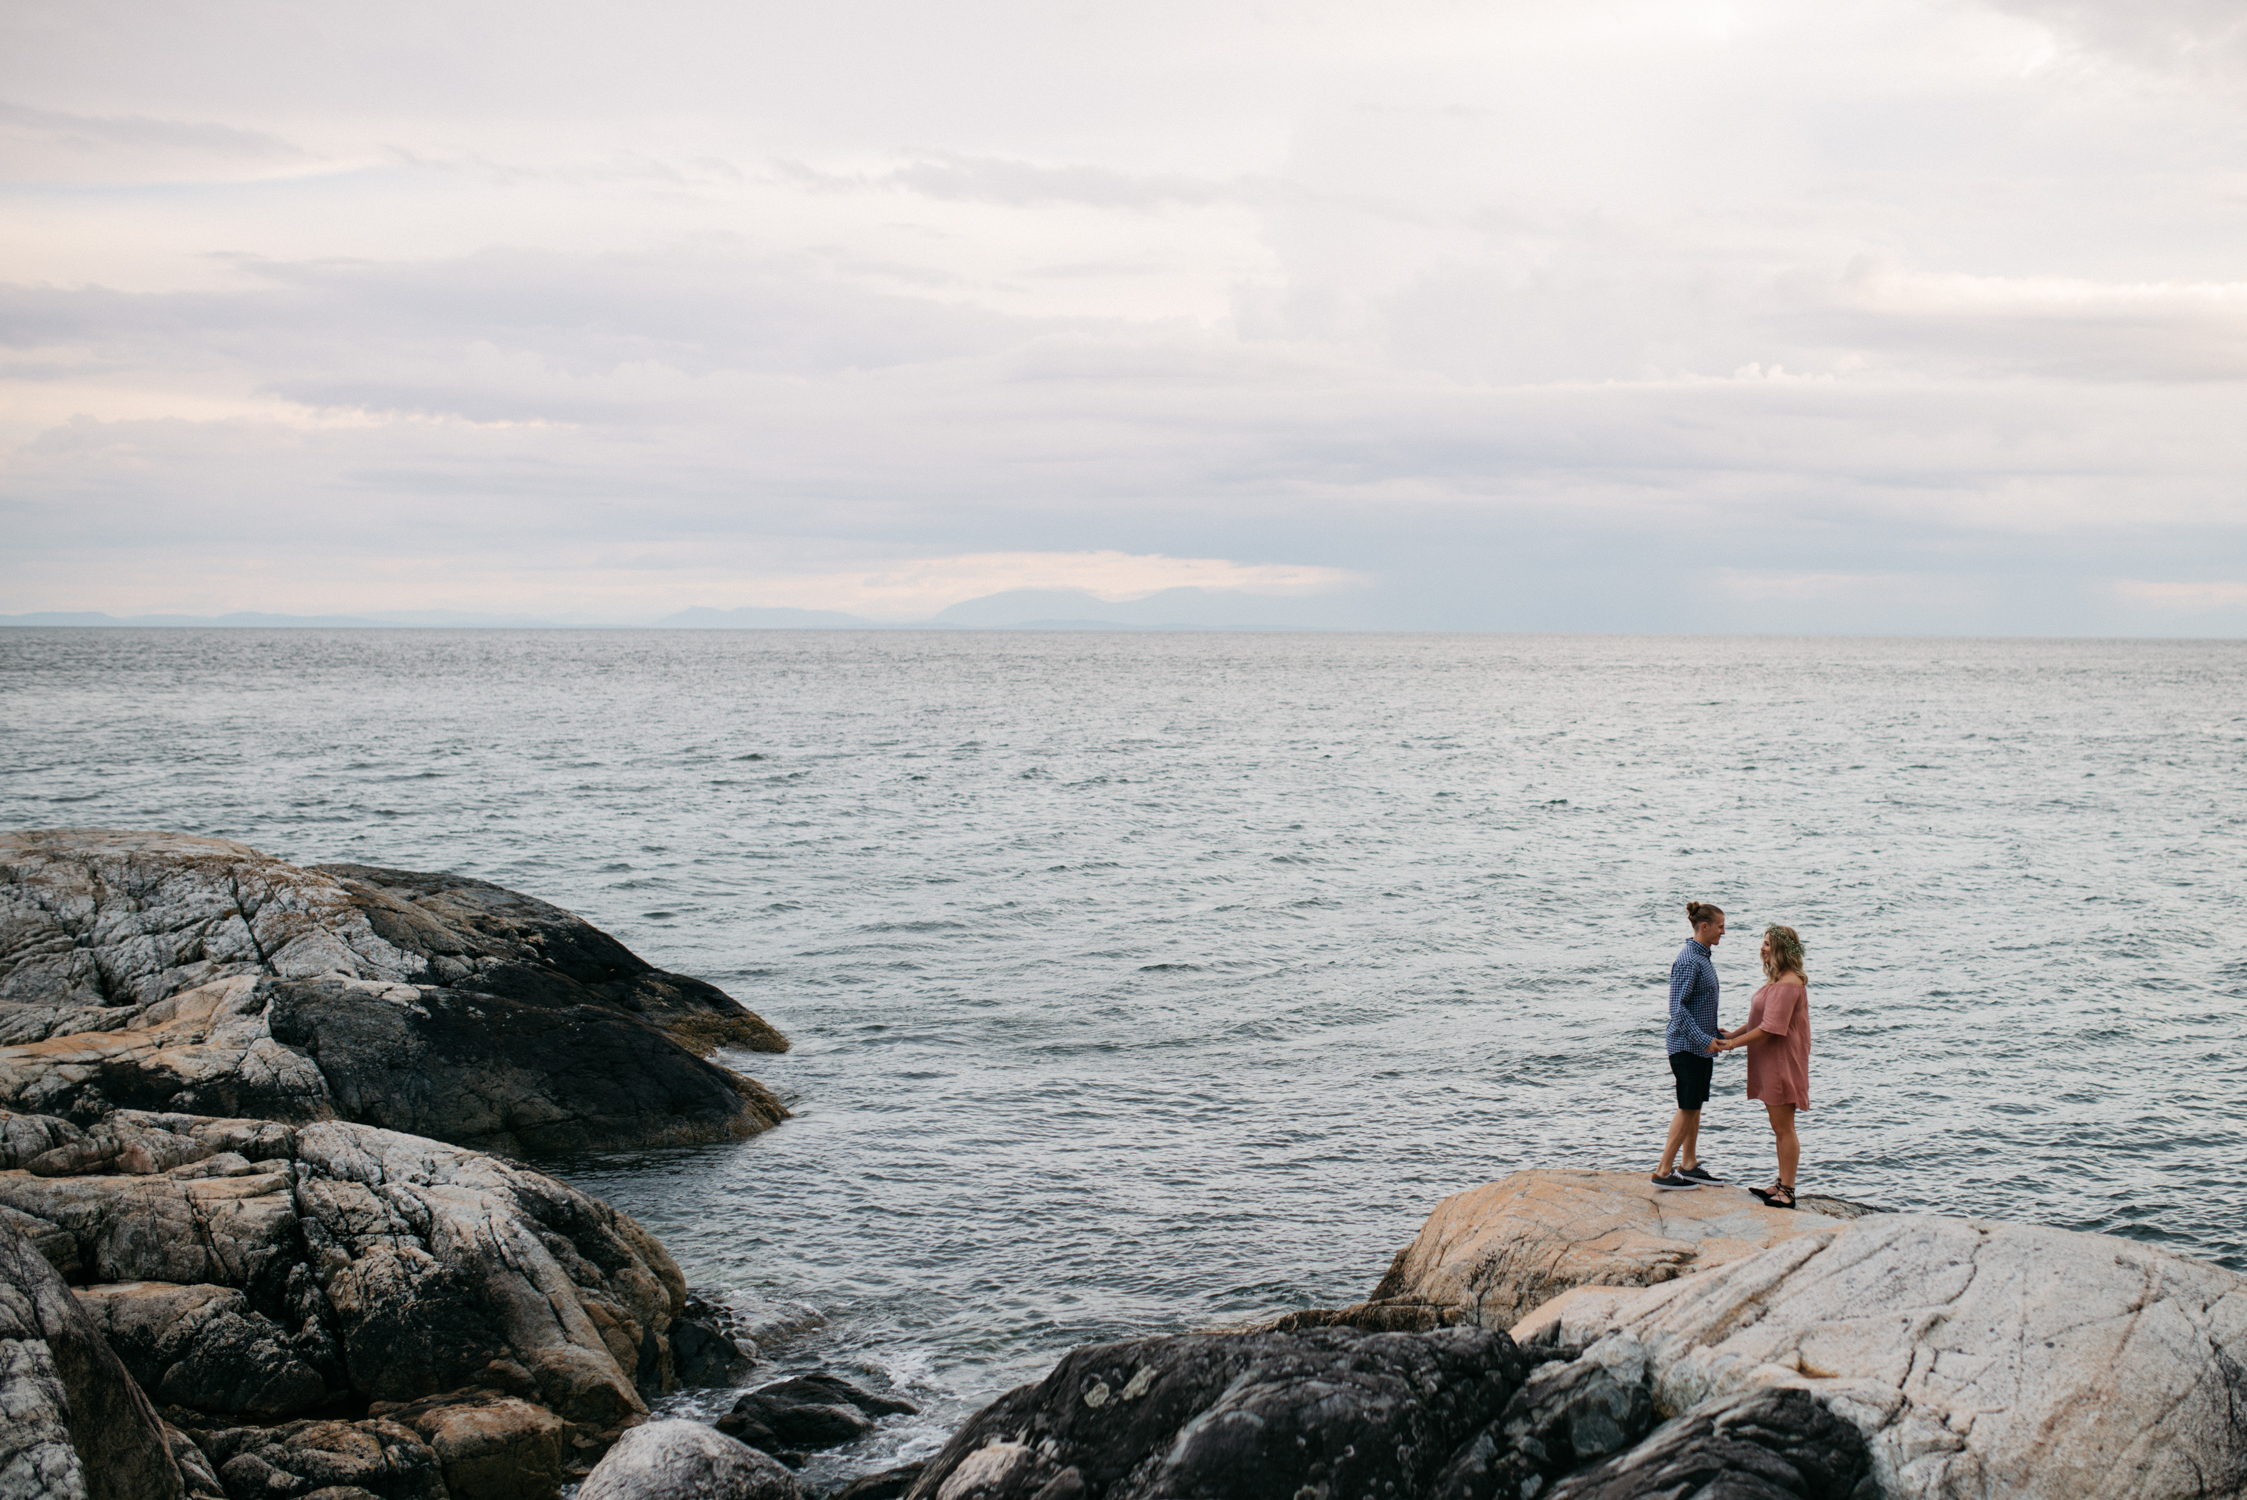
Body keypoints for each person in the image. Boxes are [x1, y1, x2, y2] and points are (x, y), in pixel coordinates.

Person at [1713, 924, 1812, 1209]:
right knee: (1778, 1127)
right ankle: (1780, 1184)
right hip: (1772, 1060)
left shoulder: (1789, 984)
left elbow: (1770, 1029)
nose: (1762, 948)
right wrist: (1732, 1034)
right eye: (1763, 942)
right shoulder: (1779, 981)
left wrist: (1733, 1045)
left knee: (1784, 1128)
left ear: (1781, 949)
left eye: (1768, 943)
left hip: (1782, 1062)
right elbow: (1762, 1020)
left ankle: (1788, 1191)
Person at [1652, 900, 1728, 1190]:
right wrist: (1703, 1038)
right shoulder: (1688, 959)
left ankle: (1689, 1164)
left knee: (1695, 1106)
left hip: (1700, 1045)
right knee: (1687, 1107)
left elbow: (1696, 1004)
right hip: (1686, 1047)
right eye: (1720, 927)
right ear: (1704, 926)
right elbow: (1677, 1009)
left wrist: (1713, 1030)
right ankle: (1662, 1171)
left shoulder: (1703, 957)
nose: (1724, 932)